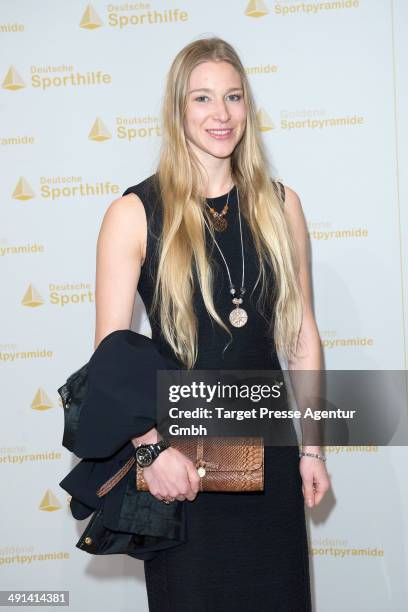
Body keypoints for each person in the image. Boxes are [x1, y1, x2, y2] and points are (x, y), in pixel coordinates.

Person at [94, 36, 330, 612]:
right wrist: (151, 454)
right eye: (202, 98)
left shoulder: (281, 205)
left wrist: (314, 449)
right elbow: (109, 353)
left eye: (233, 97)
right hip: (181, 465)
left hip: (269, 458)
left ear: (248, 107)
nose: (220, 114)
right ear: (178, 110)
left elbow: (300, 337)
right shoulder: (134, 212)